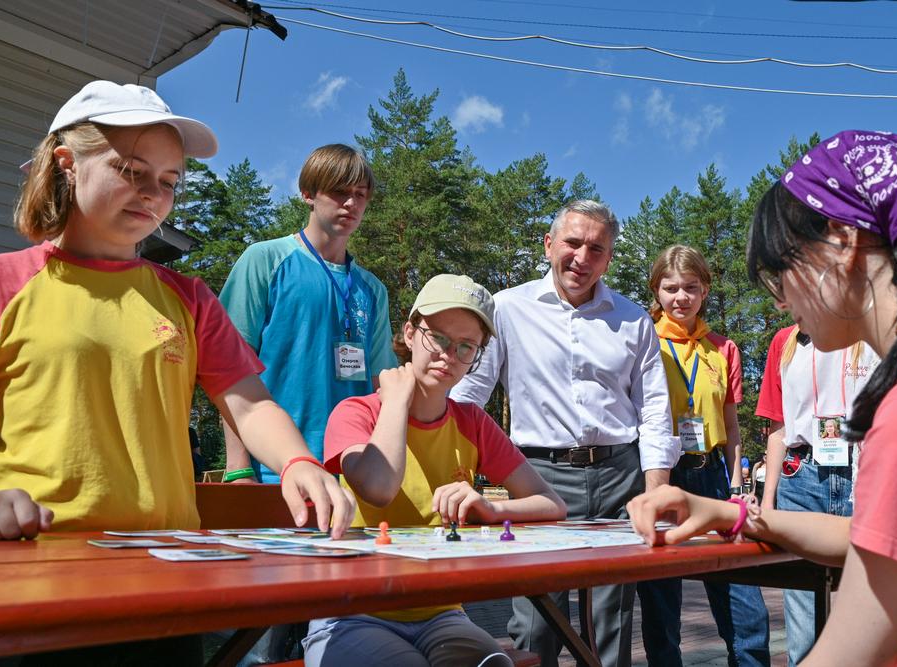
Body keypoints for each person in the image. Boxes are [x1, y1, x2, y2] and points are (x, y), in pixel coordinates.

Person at [0, 80, 355, 663]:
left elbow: (249, 400)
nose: (153, 195)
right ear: (67, 163)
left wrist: (297, 461)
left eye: (168, 182)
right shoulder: (8, 283)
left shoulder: (186, 298)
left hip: (166, 573)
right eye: (131, 170)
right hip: (36, 573)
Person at [628, 130, 897, 665]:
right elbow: (878, 536)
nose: (779, 303)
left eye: (780, 274)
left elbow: (848, 652)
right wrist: (733, 515)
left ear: (842, 242)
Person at [451, 200, 680, 667]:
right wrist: (454, 467)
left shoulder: (634, 319)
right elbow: (467, 396)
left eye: (596, 248)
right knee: (536, 622)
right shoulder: (507, 309)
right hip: (537, 479)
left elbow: (655, 408)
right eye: (573, 243)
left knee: (611, 621)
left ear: (609, 257)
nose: (582, 257)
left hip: (620, 476)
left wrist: (655, 489)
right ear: (549, 244)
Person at [304, 274, 566, 667]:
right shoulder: (357, 412)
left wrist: (491, 510)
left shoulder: (472, 422)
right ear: (410, 334)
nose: (449, 355)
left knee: (495, 664)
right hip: (352, 612)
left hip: (442, 615)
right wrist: (395, 401)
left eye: (466, 347)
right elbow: (378, 488)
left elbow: (552, 504)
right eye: (438, 338)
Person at [219, 143, 396, 485]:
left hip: (352, 478)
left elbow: (380, 386)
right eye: (339, 192)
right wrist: (239, 468)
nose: (351, 203)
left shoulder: (373, 290)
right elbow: (227, 368)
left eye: (360, 194)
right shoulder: (264, 261)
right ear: (308, 194)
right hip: (273, 473)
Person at [635, 244, 770, 667]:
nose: (681, 298)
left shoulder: (722, 348)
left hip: (711, 476)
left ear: (705, 289)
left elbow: (731, 429)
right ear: (656, 290)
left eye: (691, 287)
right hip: (663, 475)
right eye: (671, 288)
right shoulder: (642, 341)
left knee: (746, 606)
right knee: (661, 605)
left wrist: (736, 486)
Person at [755, 325, 879, 665]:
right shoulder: (785, 341)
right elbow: (779, 426)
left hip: (862, 469)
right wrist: (768, 503)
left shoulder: (869, 334)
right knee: (804, 619)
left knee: (867, 611)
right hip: (802, 476)